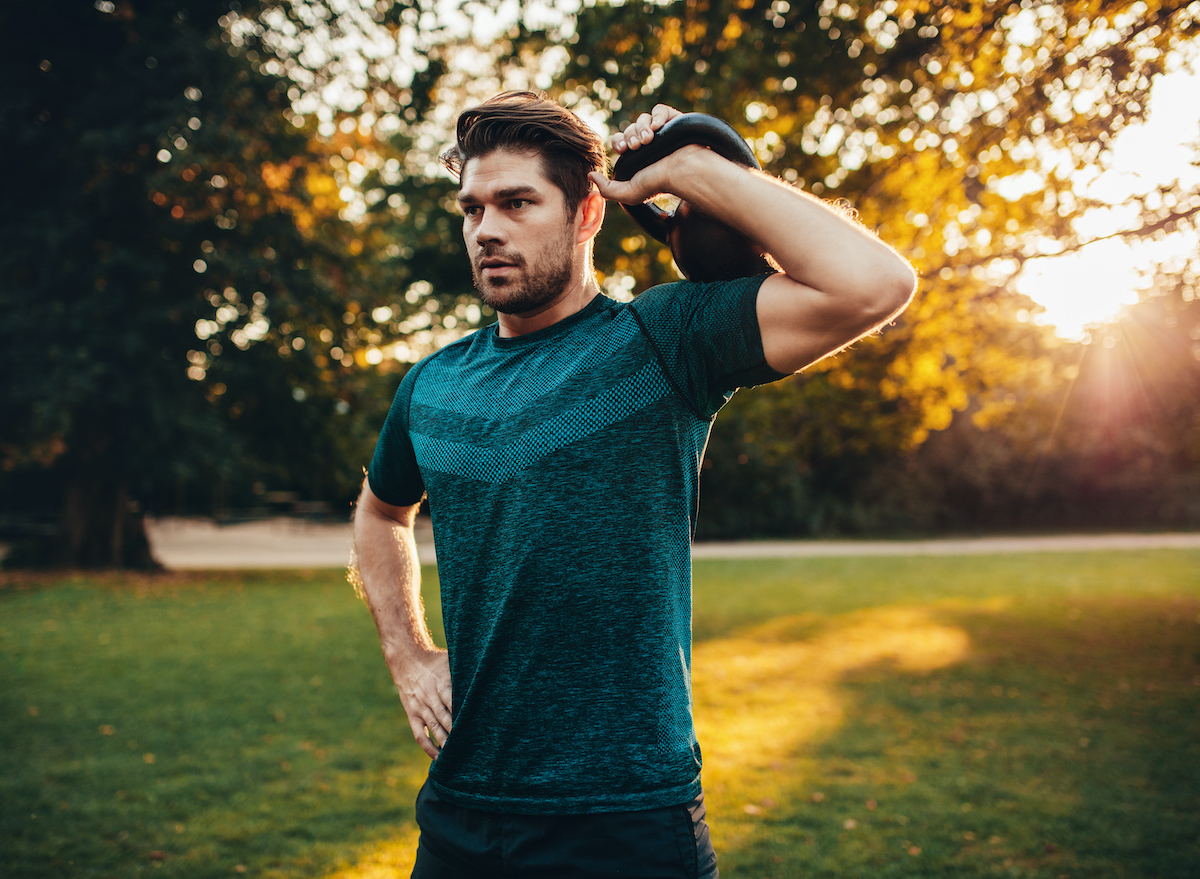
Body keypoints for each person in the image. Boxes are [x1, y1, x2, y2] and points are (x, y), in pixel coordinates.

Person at [353, 91, 916, 878]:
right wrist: (409, 654)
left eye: (517, 202)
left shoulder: (664, 341)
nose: (486, 229)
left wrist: (694, 170)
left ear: (589, 212)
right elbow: (381, 512)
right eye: (472, 208)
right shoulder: (432, 384)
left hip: (626, 820)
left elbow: (872, 284)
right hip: (460, 817)